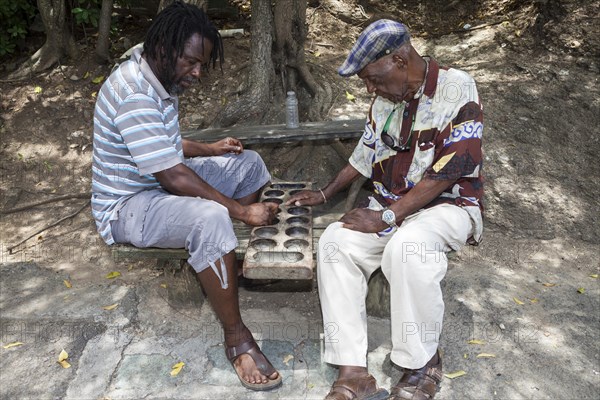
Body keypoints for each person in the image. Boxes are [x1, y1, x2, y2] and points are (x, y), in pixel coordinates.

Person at [287, 19, 484, 400]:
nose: (369, 88)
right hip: (388, 207)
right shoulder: (383, 100)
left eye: (374, 79)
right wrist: (326, 194)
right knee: (333, 243)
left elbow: (452, 170)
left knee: (407, 248)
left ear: (400, 58)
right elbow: (364, 156)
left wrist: (388, 217)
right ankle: (352, 372)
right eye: (366, 82)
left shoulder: (458, 88)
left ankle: (422, 363)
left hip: (446, 207)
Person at [91, 1, 282, 391]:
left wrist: (210, 149)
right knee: (209, 217)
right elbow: (173, 177)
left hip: (157, 185)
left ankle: (229, 266)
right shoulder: (134, 92)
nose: (197, 73)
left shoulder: (158, 77)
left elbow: (162, 144)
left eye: (201, 65)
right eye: (191, 63)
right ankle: (236, 339)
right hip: (128, 207)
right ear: (163, 47)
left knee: (250, 164)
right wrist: (241, 212)